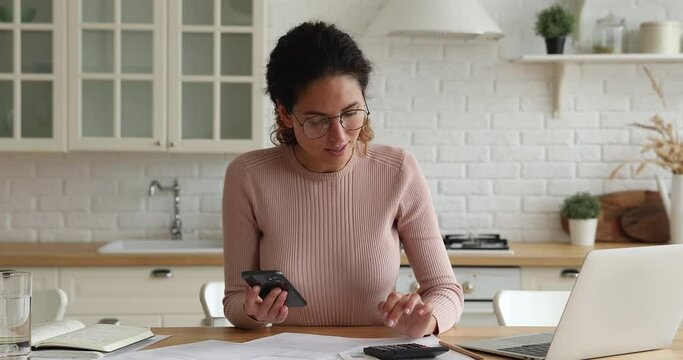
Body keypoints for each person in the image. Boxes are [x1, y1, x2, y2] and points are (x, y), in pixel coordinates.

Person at [222, 21, 464, 337]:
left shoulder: (398, 171)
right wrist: (252, 312)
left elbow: (446, 290)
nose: (338, 136)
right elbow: (235, 300)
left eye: (351, 113)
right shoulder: (248, 176)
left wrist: (427, 320)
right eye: (317, 121)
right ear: (285, 113)